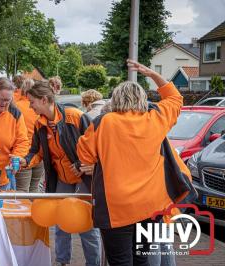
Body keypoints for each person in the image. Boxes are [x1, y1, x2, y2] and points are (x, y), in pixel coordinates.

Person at [77, 59, 196, 266]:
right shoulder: (156, 118)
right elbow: (175, 98)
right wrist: (152, 74)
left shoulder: (103, 123)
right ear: (142, 99)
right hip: (151, 206)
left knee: (120, 261)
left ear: (115, 99)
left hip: (116, 207)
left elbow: (85, 156)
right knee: (141, 259)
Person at [20, 80, 101, 266]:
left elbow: (96, 144)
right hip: (62, 177)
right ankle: (62, 261)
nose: (30, 106)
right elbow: (36, 151)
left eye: (32, 102)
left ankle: (94, 263)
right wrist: (25, 161)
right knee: (60, 220)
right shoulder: (39, 124)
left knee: (85, 223)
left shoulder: (75, 116)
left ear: (44, 99)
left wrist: (82, 163)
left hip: (84, 178)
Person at [15, 78, 45, 192]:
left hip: (23, 153)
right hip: (39, 153)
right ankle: (34, 210)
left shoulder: (16, 106)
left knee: (22, 190)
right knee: (35, 189)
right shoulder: (40, 108)